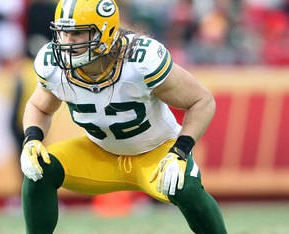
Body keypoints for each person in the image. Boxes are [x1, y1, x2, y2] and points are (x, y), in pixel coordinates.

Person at [20, 0, 228, 233]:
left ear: (106, 32)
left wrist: (180, 151)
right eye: (63, 33)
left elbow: (202, 101)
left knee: (187, 189)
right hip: (99, 153)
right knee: (39, 170)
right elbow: (39, 106)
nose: (68, 42)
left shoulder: (140, 61)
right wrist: (32, 139)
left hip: (157, 152)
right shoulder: (54, 65)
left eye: (78, 33)